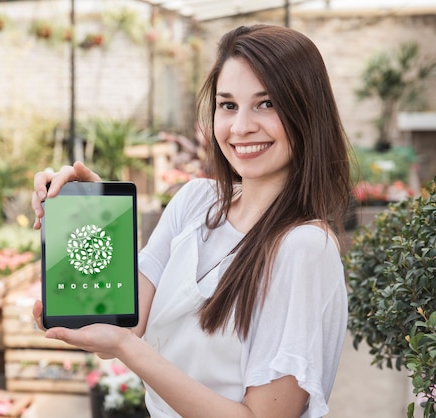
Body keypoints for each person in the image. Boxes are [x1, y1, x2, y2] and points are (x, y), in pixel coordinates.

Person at [31, 24, 351, 418]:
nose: (240, 127)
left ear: (306, 111)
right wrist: (93, 218)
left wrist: (129, 351)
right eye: (228, 105)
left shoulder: (303, 248)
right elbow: (121, 323)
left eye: (266, 103)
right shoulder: (195, 201)